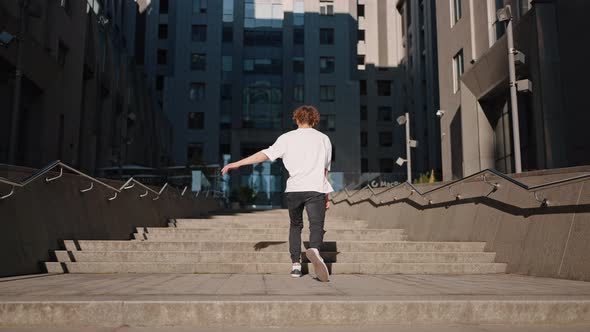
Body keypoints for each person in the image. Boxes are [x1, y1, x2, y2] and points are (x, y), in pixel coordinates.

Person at [221, 105, 333, 282]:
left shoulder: (286, 138)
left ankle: (296, 265)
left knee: (296, 226)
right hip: (316, 188)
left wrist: (237, 164)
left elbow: (264, 155)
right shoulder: (324, 139)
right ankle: (315, 251)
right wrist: (327, 196)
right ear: (314, 120)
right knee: (316, 225)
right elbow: (325, 171)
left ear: (296, 119)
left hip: (294, 189)